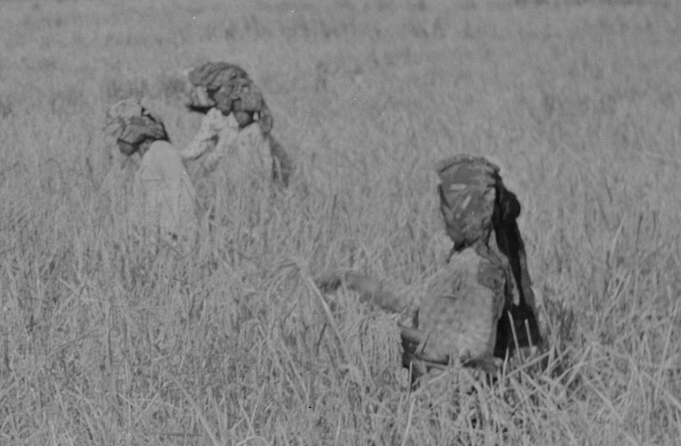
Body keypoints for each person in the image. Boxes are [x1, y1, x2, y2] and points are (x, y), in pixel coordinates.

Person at [318, 154, 544, 386]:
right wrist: (349, 279)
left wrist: (398, 334)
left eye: (446, 209)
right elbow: (415, 299)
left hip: (465, 400)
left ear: (465, 214)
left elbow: (474, 346)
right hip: (439, 392)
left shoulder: (482, 270)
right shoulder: (461, 261)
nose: (441, 216)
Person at [181, 60, 293, 186]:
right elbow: (199, 150)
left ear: (233, 91)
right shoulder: (220, 119)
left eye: (214, 91)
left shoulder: (254, 132)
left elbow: (266, 175)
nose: (211, 96)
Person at [111, 105, 198, 240]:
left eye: (120, 136)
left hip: (173, 239)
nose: (117, 143)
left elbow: (183, 191)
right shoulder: (148, 158)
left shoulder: (162, 150)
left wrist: (177, 234)